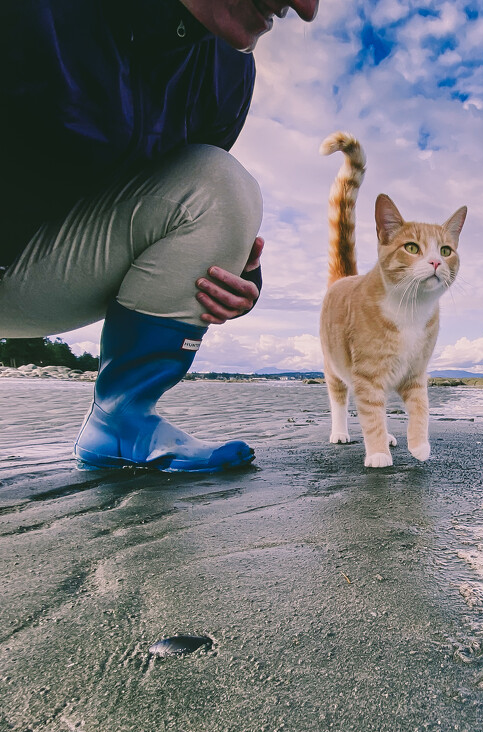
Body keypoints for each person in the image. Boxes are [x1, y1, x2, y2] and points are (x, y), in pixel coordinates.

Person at [0, 0, 318, 472]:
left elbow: (173, 202)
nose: (307, 9)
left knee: (221, 186)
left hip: (37, 276)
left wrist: (241, 275)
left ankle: (120, 421)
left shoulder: (229, 70)